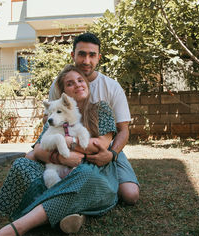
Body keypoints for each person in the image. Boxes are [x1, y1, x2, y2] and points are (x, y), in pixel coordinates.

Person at [0, 65, 121, 236]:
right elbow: (35, 152)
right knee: (21, 164)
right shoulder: (54, 114)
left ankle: (14, 230)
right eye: (70, 83)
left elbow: (100, 146)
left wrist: (69, 142)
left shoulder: (101, 108)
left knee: (83, 174)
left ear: (87, 84)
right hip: (61, 173)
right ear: (63, 92)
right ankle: (68, 212)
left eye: (80, 80)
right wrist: (60, 157)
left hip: (94, 177)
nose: (77, 85)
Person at [26, 32, 139, 205]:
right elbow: (48, 123)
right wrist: (59, 155)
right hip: (66, 140)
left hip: (103, 145)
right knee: (30, 157)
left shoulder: (111, 87)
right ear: (73, 55)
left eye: (92, 55)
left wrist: (112, 154)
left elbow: (123, 130)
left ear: (99, 57)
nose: (87, 61)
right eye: (82, 54)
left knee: (130, 195)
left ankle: (92, 195)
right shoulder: (59, 85)